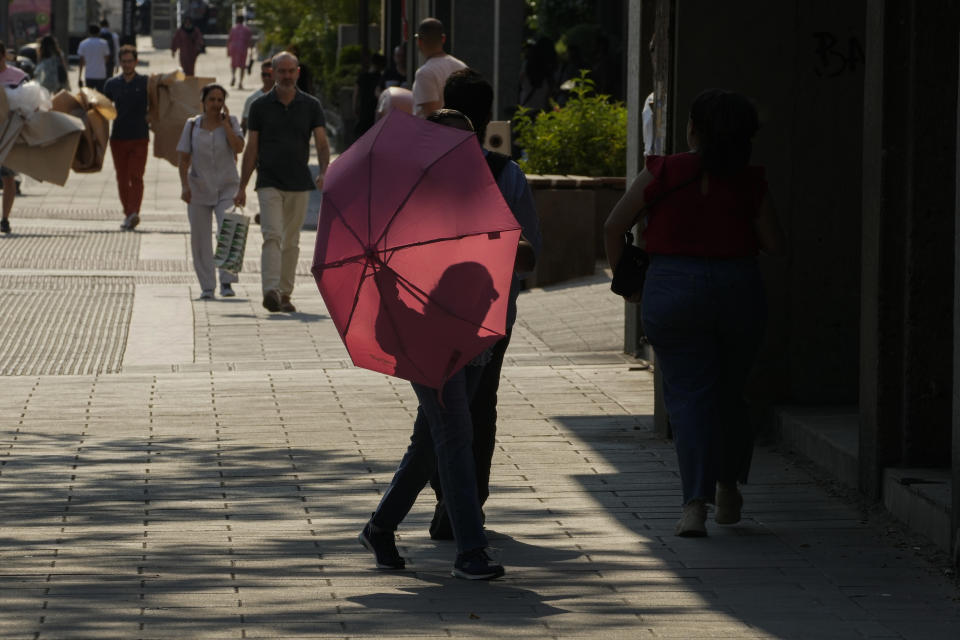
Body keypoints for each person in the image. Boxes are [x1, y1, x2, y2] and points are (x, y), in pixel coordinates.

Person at [603, 89, 785, 537]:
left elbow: (613, 225)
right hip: (737, 290)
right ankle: (727, 488)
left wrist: (629, 282)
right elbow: (775, 245)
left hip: (672, 289)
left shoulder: (663, 171)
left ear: (694, 129)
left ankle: (693, 506)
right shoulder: (750, 179)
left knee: (688, 399)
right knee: (730, 393)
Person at [358, 110, 507, 581]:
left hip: (475, 336)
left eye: (469, 146)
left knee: (430, 444)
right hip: (428, 342)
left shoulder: (485, 192)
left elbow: (519, 255)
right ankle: (471, 550)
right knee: (455, 438)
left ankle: (381, 526)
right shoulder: (407, 201)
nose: (465, 156)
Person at [425, 69, 542, 541]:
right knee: (480, 405)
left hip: (429, 310)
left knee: (434, 413)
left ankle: (446, 500)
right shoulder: (507, 174)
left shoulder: (421, 175)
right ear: (489, 116)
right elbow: (529, 258)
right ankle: (468, 501)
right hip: (491, 312)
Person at [235, 51, 329, 313]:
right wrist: (242, 185)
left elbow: (322, 143)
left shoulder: (311, 105)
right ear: (273, 73)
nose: (286, 76)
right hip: (269, 181)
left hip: (299, 182)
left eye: (291, 71)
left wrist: (324, 170)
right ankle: (271, 290)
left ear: (297, 72)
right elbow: (251, 148)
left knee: (292, 240)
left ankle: (285, 293)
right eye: (281, 72)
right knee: (272, 235)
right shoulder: (259, 106)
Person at [177, 83, 245, 300]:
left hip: (227, 185)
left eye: (219, 100)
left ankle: (227, 281)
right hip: (199, 187)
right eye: (211, 100)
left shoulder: (232, 123)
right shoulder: (192, 126)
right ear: (203, 103)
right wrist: (184, 186)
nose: (216, 104)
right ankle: (207, 285)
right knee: (200, 238)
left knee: (228, 227)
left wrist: (225, 126)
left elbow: (239, 147)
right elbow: (184, 158)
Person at [103, 45, 150, 231]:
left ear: (136, 62)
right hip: (118, 137)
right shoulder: (112, 84)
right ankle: (129, 213)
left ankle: (133, 212)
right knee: (122, 178)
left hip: (140, 136)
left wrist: (153, 116)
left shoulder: (146, 82)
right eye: (124, 62)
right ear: (119, 63)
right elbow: (100, 107)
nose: (127, 65)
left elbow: (160, 100)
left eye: (130, 61)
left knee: (136, 176)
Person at [411, 17, 465, 117]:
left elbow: (432, 117)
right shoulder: (462, 67)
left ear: (419, 41)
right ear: (443, 38)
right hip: (461, 130)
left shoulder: (424, 73)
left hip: (432, 132)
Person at [0, 41, 27, 234]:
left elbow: (29, 103)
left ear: (3, 56)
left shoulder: (17, 76)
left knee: (9, 178)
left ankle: (5, 219)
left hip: (9, 136)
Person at [353, 52, 385, 138]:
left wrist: (355, 107)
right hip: (375, 111)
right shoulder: (381, 78)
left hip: (364, 110)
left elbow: (356, 94)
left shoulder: (362, 76)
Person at [241, 60, 273, 135]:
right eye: (264, 74)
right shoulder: (252, 99)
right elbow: (244, 124)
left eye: (269, 75)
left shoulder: (285, 97)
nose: (266, 78)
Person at [77, 24, 111, 92]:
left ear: (89, 32)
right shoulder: (104, 43)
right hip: (101, 74)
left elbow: (81, 61)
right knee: (100, 96)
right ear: (99, 32)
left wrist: (80, 76)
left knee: (89, 96)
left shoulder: (83, 43)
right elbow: (107, 58)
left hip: (89, 74)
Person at [227, 15, 253, 89]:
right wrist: (251, 51)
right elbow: (250, 41)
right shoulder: (247, 29)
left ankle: (233, 76)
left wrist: (228, 50)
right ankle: (240, 83)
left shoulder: (233, 28)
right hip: (242, 48)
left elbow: (229, 39)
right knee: (242, 66)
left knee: (233, 64)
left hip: (234, 48)